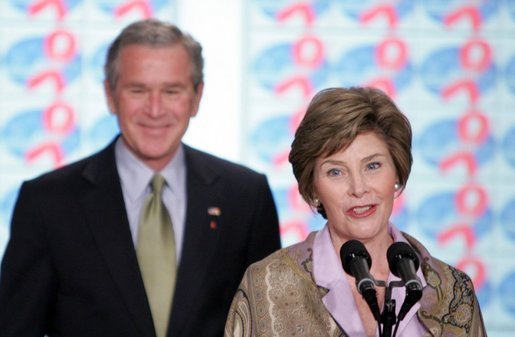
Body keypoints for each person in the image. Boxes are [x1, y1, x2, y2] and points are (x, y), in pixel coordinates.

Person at [0, 18, 281, 337]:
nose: (155, 109)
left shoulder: (245, 196)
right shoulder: (48, 202)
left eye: (172, 90)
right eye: (138, 90)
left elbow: (267, 326)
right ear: (110, 94)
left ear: (197, 97)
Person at [224, 87, 487, 337]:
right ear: (313, 188)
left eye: (372, 165)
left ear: (396, 171)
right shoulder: (267, 285)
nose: (358, 188)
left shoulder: (453, 292)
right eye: (335, 172)